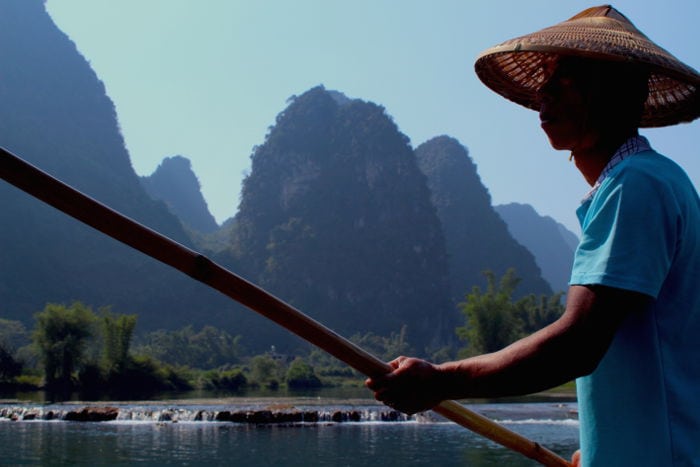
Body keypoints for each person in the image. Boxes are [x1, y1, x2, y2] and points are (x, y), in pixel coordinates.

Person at [366, 5, 700, 466]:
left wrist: (443, 379)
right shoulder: (650, 183)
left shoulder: (637, 186)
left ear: (615, 90)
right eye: (544, 77)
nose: (544, 94)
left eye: (565, 77)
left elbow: (578, 344)